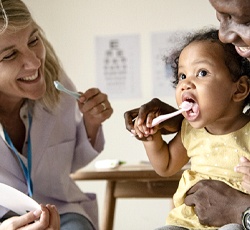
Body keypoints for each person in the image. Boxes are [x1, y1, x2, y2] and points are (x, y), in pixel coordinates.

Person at [124, 0, 250, 227]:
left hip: (236, 221)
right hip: (187, 222)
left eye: (202, 72)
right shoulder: (191, 130)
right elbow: (166, 165)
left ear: (239, 89)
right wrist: (151, 138)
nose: (186, 85)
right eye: (182, 76)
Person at [0, 0, 113, 229]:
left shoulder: (57, 86)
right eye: (10, 55)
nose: (34, 62)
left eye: (33, 40)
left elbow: (65, 165)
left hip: (61, 209)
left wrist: (90, 123)